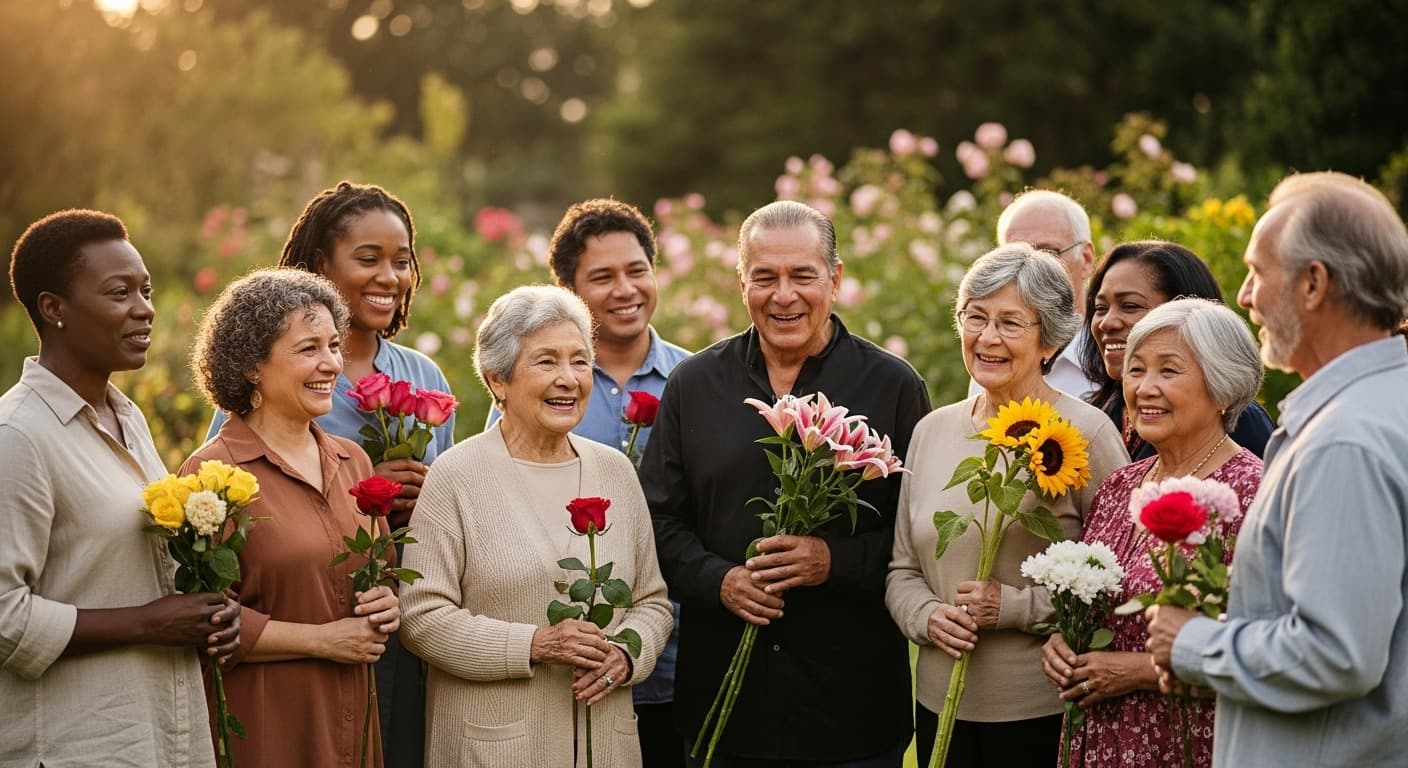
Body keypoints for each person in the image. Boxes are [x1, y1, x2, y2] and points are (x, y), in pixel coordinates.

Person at [642, 200, 932, 766]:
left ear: (836, 278)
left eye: (803, 275)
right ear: (741, 282)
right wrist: (719, 580)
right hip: (724, 710)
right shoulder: (694, 384)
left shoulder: (893, 387)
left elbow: (918, 538)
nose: (784, 295)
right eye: (764, 277)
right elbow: (657, 521)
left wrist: (834, 561)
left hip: (850, 713)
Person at [1146, 172, 1408, 767]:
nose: (1243, 296)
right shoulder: (1382, 406)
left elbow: (1335, 652)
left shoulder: (1346, 441)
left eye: (1257, 272)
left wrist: (1194, 643)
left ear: (1313, 283)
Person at [204, 182, 451, 767]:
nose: (390, 276)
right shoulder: (258, 400)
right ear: (320, 264)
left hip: (384, 627)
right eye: (368, 259)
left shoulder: (418, 378)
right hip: (287, 643)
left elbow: (446, 514)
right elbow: (224, 516)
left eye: (402, 260)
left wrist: (419, 501)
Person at [1, 210, 239, 767]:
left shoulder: (125, 417)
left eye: (146, 290)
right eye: (119, 292)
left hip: (156, 734)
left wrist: (206, 611)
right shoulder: (19, 436)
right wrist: (147, 623)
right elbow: (5, 617)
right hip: (72, 745)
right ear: (53, 309)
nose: (145, 307)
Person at [399, 285, 673, 767]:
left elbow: (651, 602)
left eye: (580, 361)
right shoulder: (455, 477)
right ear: (497, 379)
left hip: (605, 746)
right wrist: (535, 644)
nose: (568, 379)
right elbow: (421, 616)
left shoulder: (616, 472)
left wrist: (628, 655)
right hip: (494, 748)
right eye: (546, 362)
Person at [886, 243, 1128, 768]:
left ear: (1049, 341)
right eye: (976, 317)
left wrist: (1014, 607)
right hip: (936, 707)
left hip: (1042, 711)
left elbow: (1118, 579)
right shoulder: (931, 431)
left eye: (1011, 323)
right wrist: (927, 617)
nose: (988, 337)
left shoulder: (1085, 434)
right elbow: (901, 569)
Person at [187, 269, 401, 767]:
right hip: (270, 721)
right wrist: (324, 641)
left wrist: (389, 601)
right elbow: (202, 621)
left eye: (333, 345)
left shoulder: (354, 461)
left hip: (354, 714)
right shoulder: (212, 474)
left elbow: (384, 569)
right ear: (251, 367)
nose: (331, 364)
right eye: (308, 349)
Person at [1041, 298, 1264, 767]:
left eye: (1169, 371)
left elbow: (1266, 654)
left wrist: (1138, 672)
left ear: (1222, 387)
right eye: (1137, 370)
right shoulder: (1120, 483)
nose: (1145, 388)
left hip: (1183, 742)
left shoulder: (1252, 492)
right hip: (1096, 739)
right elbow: (1094, 602)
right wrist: (1063, 643)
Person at [1081, 240, 1274, 458]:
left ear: (1185, 310)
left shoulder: (1237, 419)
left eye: (1130, 305)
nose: (1107, 322)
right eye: (1100, 308)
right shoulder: (1104, 411)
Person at [989, 189, 1101, 399]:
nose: (1032, 267)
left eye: (1049, 253)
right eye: (1015, 255)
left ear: (1086, 259)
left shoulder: (1113, 360)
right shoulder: (991, 356)